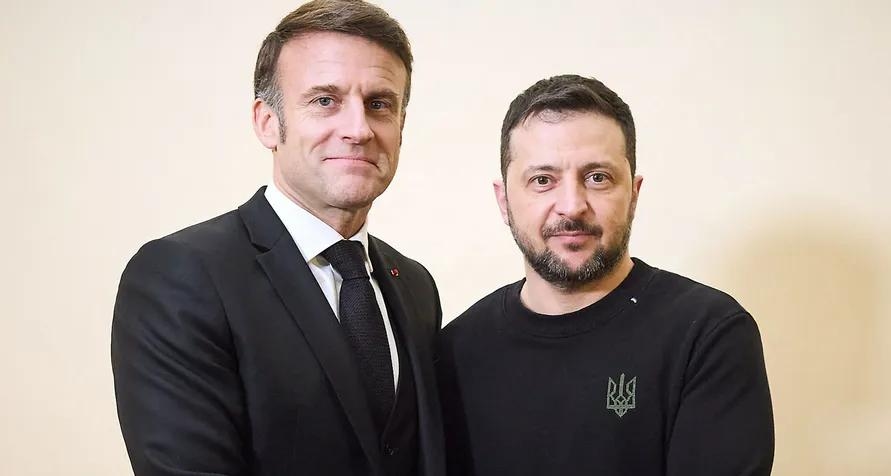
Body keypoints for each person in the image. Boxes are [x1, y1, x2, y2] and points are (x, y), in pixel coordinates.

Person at [111, 2, 444, 475]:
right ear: (267, 122)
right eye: (325, 100)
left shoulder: (415, 287)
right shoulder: (182, 277)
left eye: (379, 104)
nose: (358, 129)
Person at [437, 74, 774, 476]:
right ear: (504, 200)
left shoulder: (707, 334)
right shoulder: (453, 352)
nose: (572, 205)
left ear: (633, 194)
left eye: (597, 177)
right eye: (542, 180)